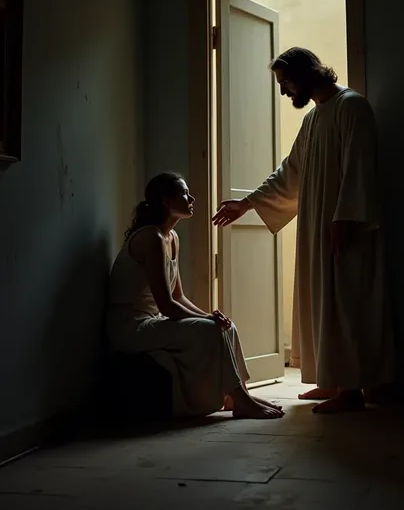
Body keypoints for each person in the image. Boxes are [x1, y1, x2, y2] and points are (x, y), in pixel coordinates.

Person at [213, 47, 394, 414]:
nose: (284, 91)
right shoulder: (313, 118)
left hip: (345, 225)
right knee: (322, 301)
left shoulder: (351, 106)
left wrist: (345, 218)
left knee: (345, 301)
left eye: (286, 82)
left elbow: (359, 167)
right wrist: (247, 203)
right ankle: (332, 378)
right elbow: (290, 172)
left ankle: (352, 390)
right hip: (318, 224)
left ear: (305, 74)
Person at [107, 172, 284, 419]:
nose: (192, 198)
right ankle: (241, 400)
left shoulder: (172, 238)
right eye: (184, 194)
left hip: (153, 320)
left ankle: (238, 396)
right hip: (131, 328)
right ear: (167, 201)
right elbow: (167, 305)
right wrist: (207, 320)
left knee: (227, 326)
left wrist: (211, 316)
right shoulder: (150, 237)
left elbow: (178, 296)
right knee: (211, 329)